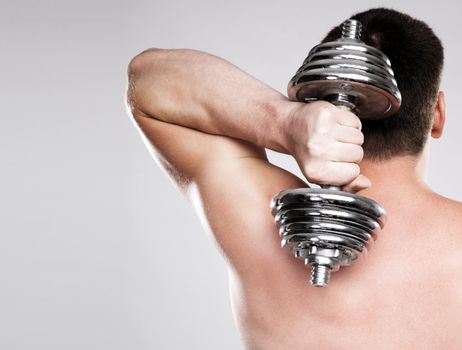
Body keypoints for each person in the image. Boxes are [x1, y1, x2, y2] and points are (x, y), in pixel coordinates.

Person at [126, 7, 462, 349]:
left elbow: (147, 81)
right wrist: (285, 123)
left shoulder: (260, 216)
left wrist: (283, 122)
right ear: (437, 115)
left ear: (317, 98)